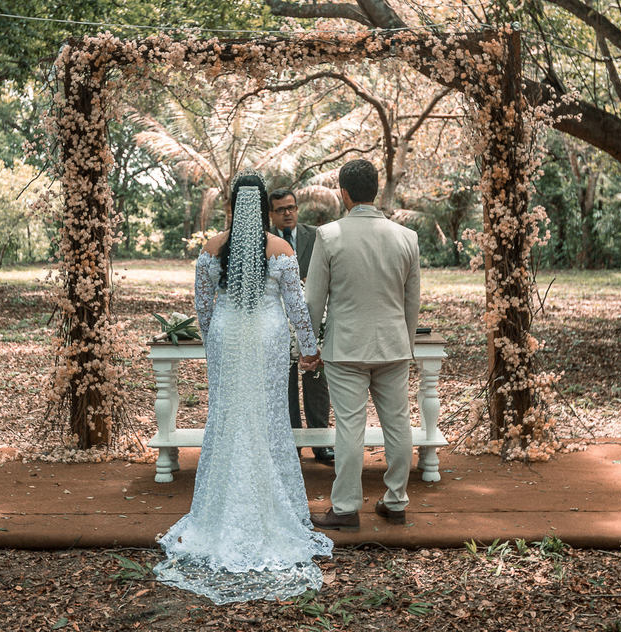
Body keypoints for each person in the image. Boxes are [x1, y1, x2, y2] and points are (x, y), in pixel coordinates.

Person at [153, 173, 333, 604]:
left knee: (229, 414)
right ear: (266, 208)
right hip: (267, 336)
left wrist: (214, 338)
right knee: (267, 415)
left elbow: (202, 306)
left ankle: (219, 510)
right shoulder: (280, 249)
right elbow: (296, 307)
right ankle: (269, 505)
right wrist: (309, 349)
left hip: (228, 336)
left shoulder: (213, 247)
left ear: (233, 207)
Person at [303, 159, 421, 531]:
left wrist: (308, 346)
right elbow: (412, 302)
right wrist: (405, 344)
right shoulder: (407, 237)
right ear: (376, 189)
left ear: (344, 193)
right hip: (393, 346)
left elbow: (313, 301)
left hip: (346, 348)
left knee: (350, 429)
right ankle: (396, 501)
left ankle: (345, 508)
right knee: (398, 425)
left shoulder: (328, 235)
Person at [269, 187, 334, 466]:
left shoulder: (316, 235)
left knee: (316, 377)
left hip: (314, 316)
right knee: (284, 382)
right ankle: (291, 444)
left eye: (291, 207)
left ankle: (321, 443)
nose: (288, 213)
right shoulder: (265, 240)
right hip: (277, 321)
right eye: (281, 209)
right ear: (271, 214)